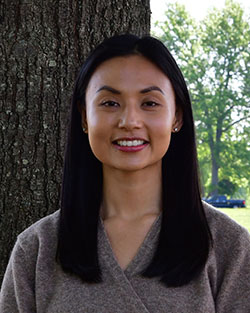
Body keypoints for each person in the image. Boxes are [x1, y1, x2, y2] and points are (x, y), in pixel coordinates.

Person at [0, 34, 250, 313]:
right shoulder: (36, 250)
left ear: (176, 116)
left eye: (150, 103)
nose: (129, 121)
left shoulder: (231, 248)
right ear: (84, 117)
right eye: (110, 103)